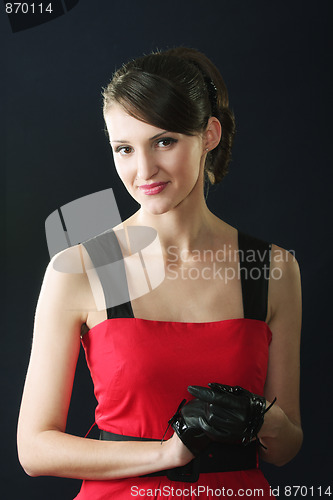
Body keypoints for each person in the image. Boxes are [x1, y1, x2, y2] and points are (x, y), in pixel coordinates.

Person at [17, 47, 303, 499]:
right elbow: (34, 449)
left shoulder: (272, 269)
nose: (143, 170)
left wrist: (261, 419)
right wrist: (167, 454)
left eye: (164, 141)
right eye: (124, 149)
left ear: (209, 135)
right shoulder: (82, 268)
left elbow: (285, 448)